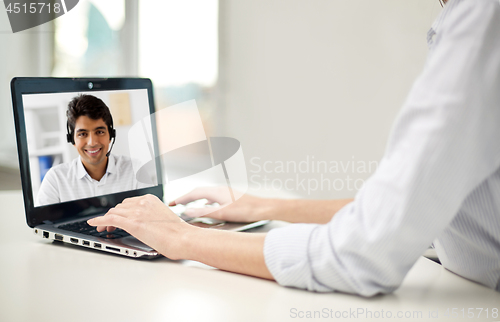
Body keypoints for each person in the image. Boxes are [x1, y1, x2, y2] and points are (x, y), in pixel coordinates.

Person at [88, 0, 500, 295]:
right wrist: (266, 207)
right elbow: (403, 209)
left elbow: (361, 254)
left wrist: (181, 238)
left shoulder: (482, 19)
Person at [36, 94, 151, 206]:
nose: (92, 142)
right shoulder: (55, 179)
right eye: (82, 134)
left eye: (99, 132)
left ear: (110, 135)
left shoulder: (135, 170)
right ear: (72, 140)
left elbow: (152, 217)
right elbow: (42, 225)